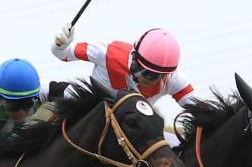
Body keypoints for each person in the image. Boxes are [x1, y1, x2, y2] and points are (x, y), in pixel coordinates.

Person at [51, 25, 198, 142]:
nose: (146, 78)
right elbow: (64, 54)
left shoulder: (174, 80)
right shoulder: (107, 51)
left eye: (155, 76)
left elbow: (203, 111)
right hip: (89, 113)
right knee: (53, 89)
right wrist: (60, 44)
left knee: (174, 145)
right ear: (134, 56)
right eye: (143, 70)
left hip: (129, 130)